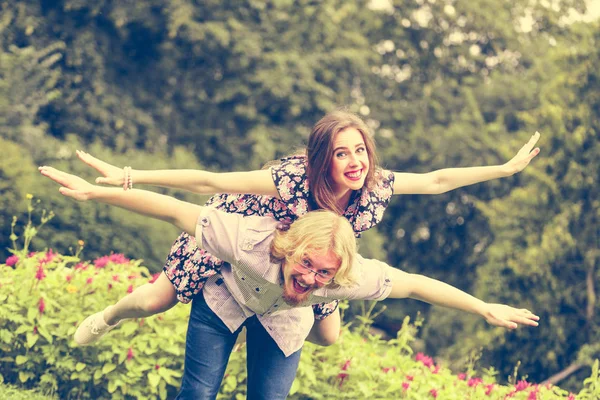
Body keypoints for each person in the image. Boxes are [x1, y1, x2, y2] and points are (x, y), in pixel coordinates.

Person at [39, 166, 539, 399]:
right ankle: (106, 316)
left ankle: (320, 312)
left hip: (286, 317)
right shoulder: (251, 236)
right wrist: (96, 194)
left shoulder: (343, 276)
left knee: (312, 350)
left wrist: (484, 308)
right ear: (288, 248)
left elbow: (416, 284)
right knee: (196, 386)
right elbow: (173, 206)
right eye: (306, 266)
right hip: (229, 292)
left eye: (323, 273)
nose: (310, 276)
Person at [55, 110, 541, 348]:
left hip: (310, 267)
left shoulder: (374, 186)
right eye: (341, 152)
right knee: (152, 301)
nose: (355, 162)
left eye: (362, 150)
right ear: (322, 159)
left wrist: (501, 170)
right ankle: (109, 317)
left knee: (329, 337)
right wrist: (128, 177)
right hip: (245, 243)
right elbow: (209, 180)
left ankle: (256, 313)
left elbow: (437, 181)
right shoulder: (291, 178)